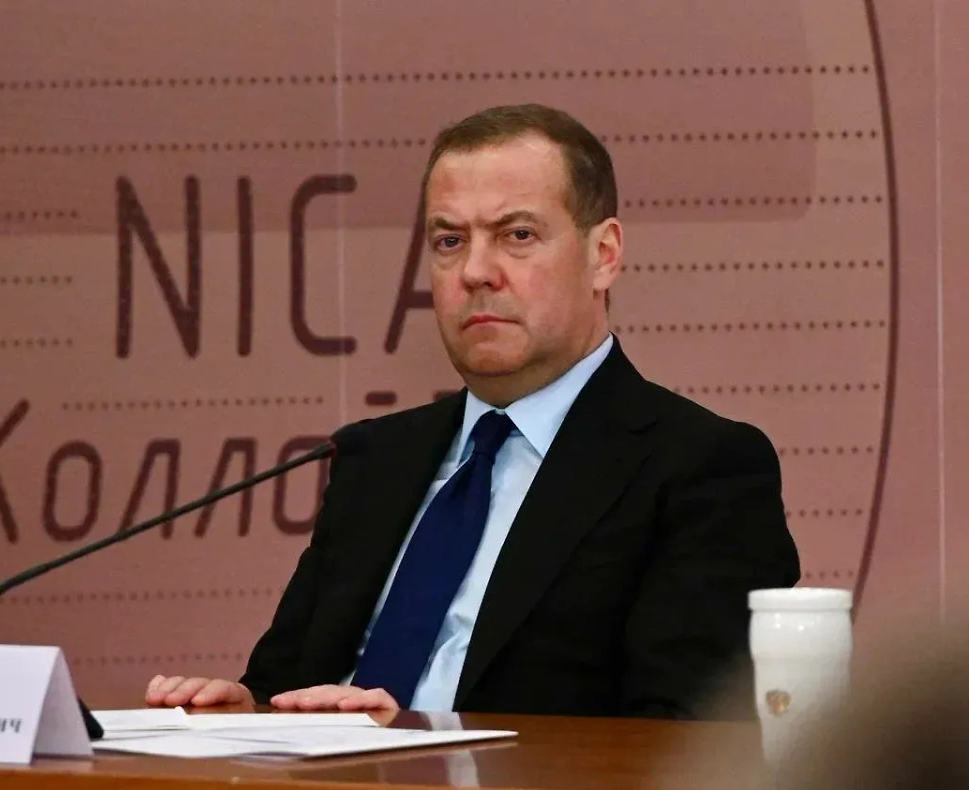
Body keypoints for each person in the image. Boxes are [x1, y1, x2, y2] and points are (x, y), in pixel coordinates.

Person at [145, 103, 800, 718]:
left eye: (517, 235)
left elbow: (681, 743)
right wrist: (247, 715)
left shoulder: (700, 469)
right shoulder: (376, 458)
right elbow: (285, 684)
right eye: (450, 241)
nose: (476, 271)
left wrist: (416, 744)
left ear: (603, 255)